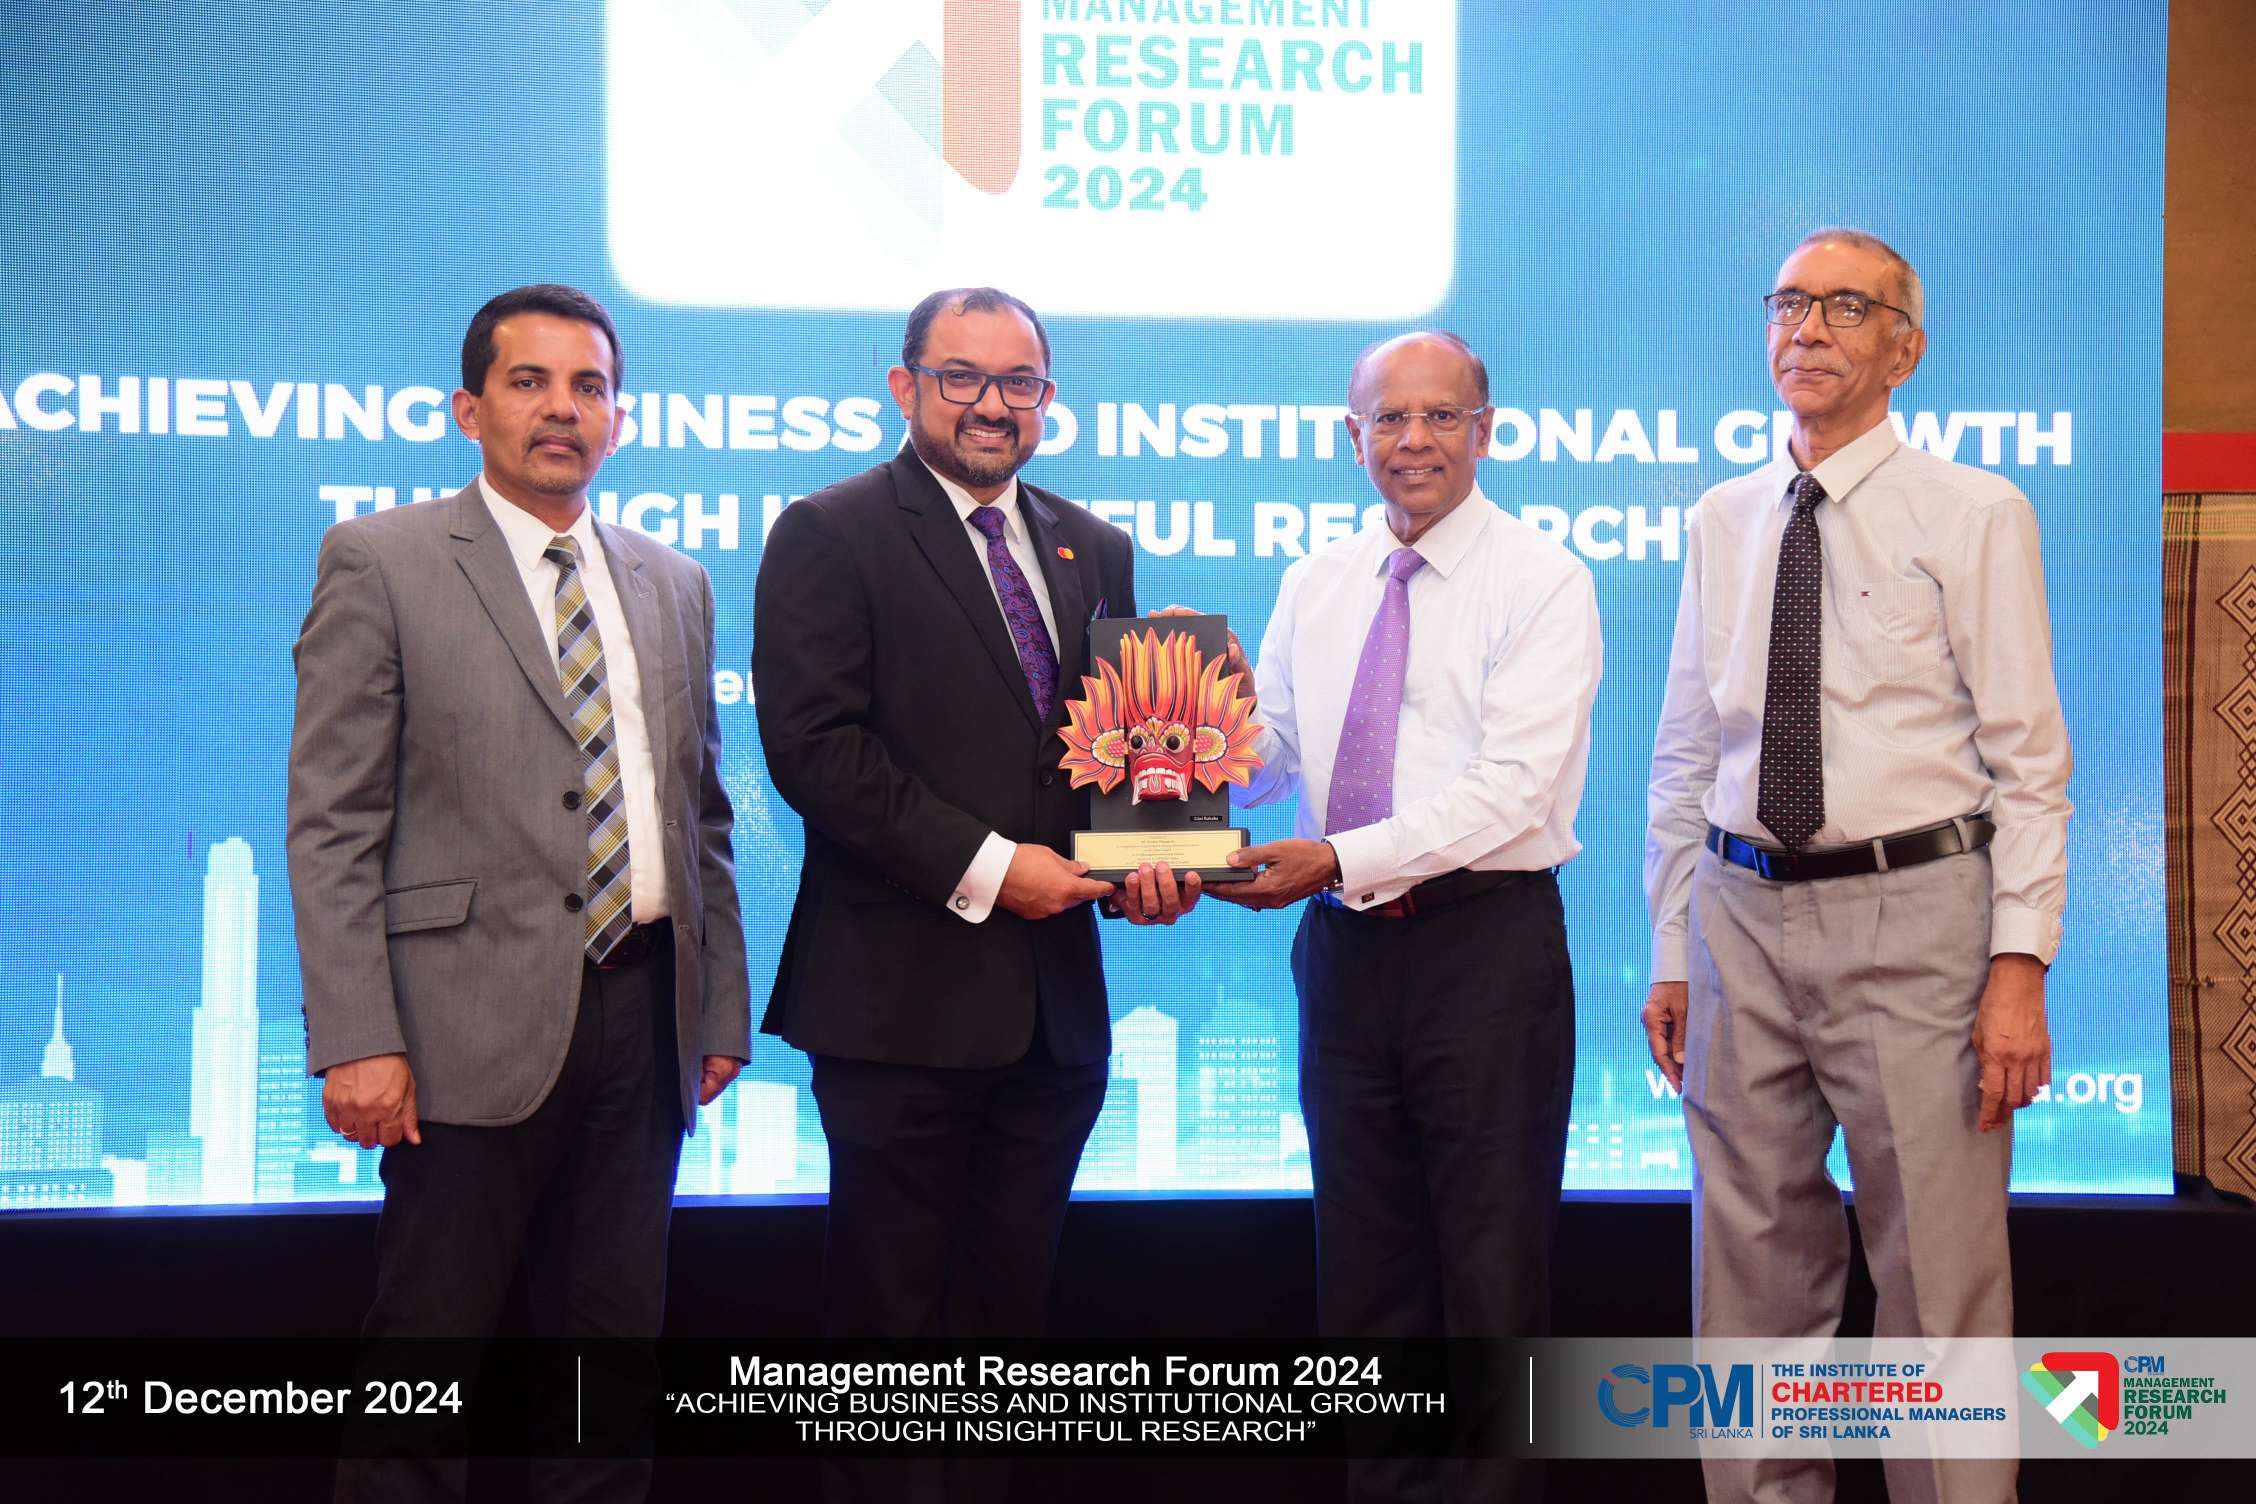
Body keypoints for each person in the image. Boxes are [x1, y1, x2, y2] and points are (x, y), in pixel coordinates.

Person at [288, 283, 751, 1501]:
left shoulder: (675, 581)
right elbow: (333, 820)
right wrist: (356, 1036)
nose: (562, 409)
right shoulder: (380, 560)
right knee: (425, 1361)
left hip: (642, 1019)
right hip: (454, 1027)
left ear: (619, 418)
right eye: (529, 382)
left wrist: (716, 1010)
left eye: (589, 387)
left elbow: (699, 812)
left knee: (606, 1371)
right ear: (469, 408)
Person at [1642, 229, 2070, 1504]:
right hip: (1736, 914)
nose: (1808, 329)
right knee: (1749, 1278)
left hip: (1918, 916)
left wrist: (2019, 963)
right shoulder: (1723, 516)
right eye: (1789, 304)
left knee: (1938, 1279)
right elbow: (1685, 751)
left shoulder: (1975, 510)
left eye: (1844, 307)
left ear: (1906, 349)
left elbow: (2029, 762)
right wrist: (1671, 947)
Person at [1209, 330, 1602, 1503]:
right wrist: (1194, 728)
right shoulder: (1316, 579)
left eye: (1440, 416)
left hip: (1485, 948)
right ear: (1354, 435)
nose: (1413, 439)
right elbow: (1275, 758)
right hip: (1343, 951)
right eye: (1389, 417)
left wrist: (1336, 854)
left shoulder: (1543, 579)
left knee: (1491, 1277)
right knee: (1365, 1268)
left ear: (1487, 430)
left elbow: (1512, 789)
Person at [751, 285, 1142, 1415]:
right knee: (889, 1343)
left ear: (1046, 399)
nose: (991, 405)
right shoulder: (830, 532)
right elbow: (817, 754)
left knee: (1008, 1335)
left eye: (1018, 382)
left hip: (1053, 1020)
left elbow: (1109, 760)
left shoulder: (1093, 546)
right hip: (897, 1016)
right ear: (905, 385)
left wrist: (1147, 860)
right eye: (962, 376)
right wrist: (995, 867)